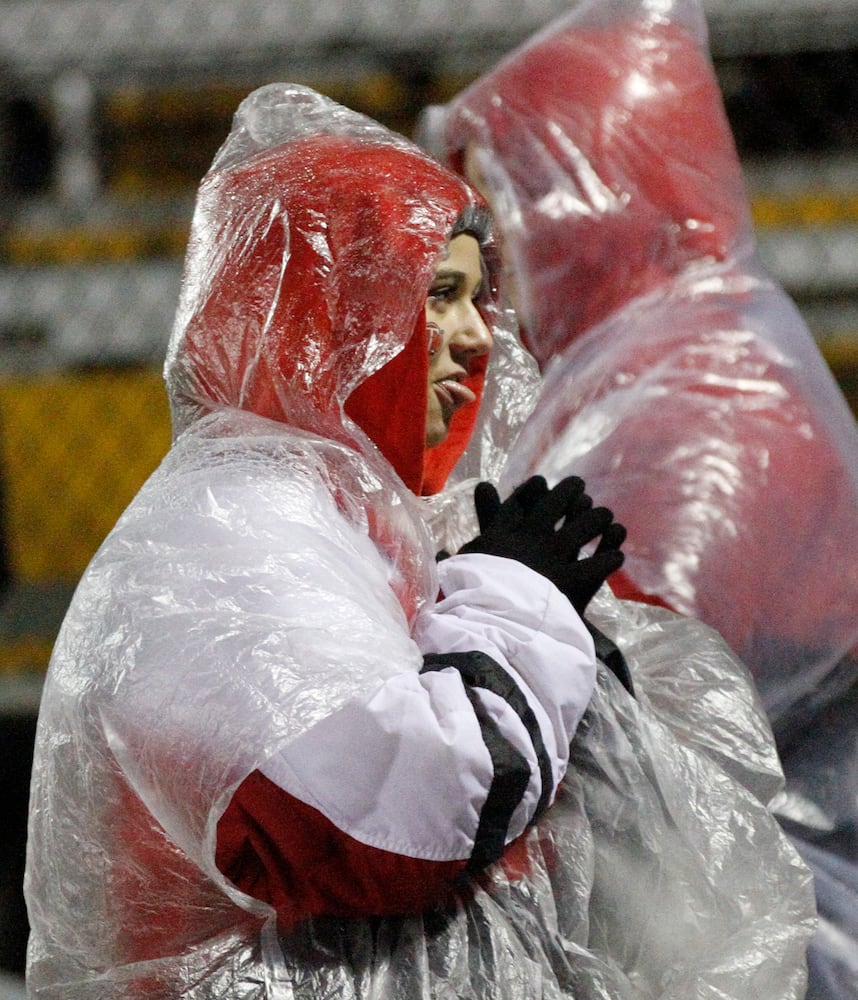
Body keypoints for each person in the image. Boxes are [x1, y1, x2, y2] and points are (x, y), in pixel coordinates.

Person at [25, 83, 814, 999]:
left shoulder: (337, 516)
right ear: (329, 312)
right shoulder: (230, 532)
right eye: (439, 293)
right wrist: (521, 602)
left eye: (481, 297)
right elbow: (393, 822)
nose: (479, 336)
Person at [418, 0, 858, 993]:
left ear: (588, 198)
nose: (492, 257)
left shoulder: (701, 399)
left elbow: (613, 720)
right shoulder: (649, 365)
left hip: (791, 928)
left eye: (506, 200)